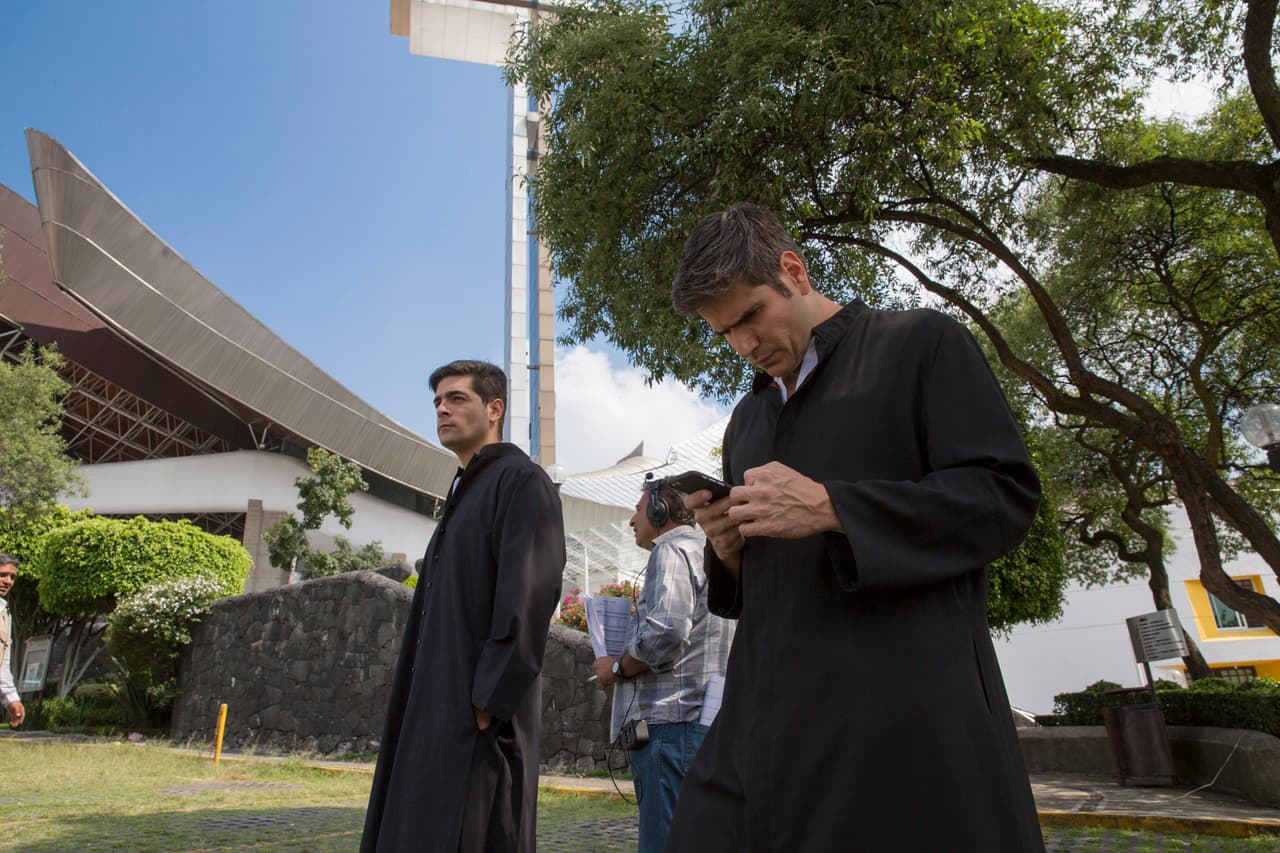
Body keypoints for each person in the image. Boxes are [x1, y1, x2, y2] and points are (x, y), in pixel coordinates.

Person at [663, 203, 1046, 852]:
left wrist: (832, 507)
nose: (744, 346)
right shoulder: (745, 423)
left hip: (898, 740)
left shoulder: (921, 346)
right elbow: (761, 585)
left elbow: (1002, 497)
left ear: (794, 270)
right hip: (764, 738)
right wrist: (727, 552)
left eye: (751, 315)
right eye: (725, 332)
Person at [360, 361, 566, 853]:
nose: (441, 409)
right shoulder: (461, 493)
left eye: (456, 399)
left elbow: (530, 595)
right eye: (437, 402)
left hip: (481, 723)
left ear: (494, 409)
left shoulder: (521, 482)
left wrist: (485, 703)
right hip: (434, 703)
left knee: (474, 830)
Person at [591, 477, 733, 853]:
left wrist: (617, 668)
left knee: (663, 842)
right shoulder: (712, 551)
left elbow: (666, 631)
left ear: (660, 510)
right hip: (701, 722)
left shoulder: (672, 550)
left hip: (669, 727)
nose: (632, 521)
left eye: (638, 510)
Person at [0, 555, 25, 729]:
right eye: (2, 575)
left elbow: (2, 663)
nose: (8, 581)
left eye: (12, 577)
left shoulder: (4, 614)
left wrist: (11, 698)